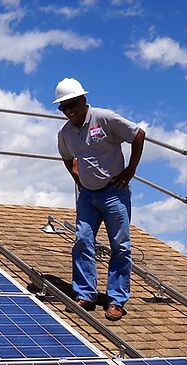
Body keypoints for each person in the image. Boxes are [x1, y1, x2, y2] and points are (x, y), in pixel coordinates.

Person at [55, 78, 145, 321]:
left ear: (84, 100)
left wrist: (130, 171)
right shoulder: (65, 133)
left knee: (120, 246)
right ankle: (85, 293)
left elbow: (138, 134)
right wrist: (77, 177)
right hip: (87, 196)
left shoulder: (105, 119)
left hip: (114, 192)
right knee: (82, 240)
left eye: (72, 104)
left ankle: (116, 300)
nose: (69, 110)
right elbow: (66, 156)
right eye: (63, 107)